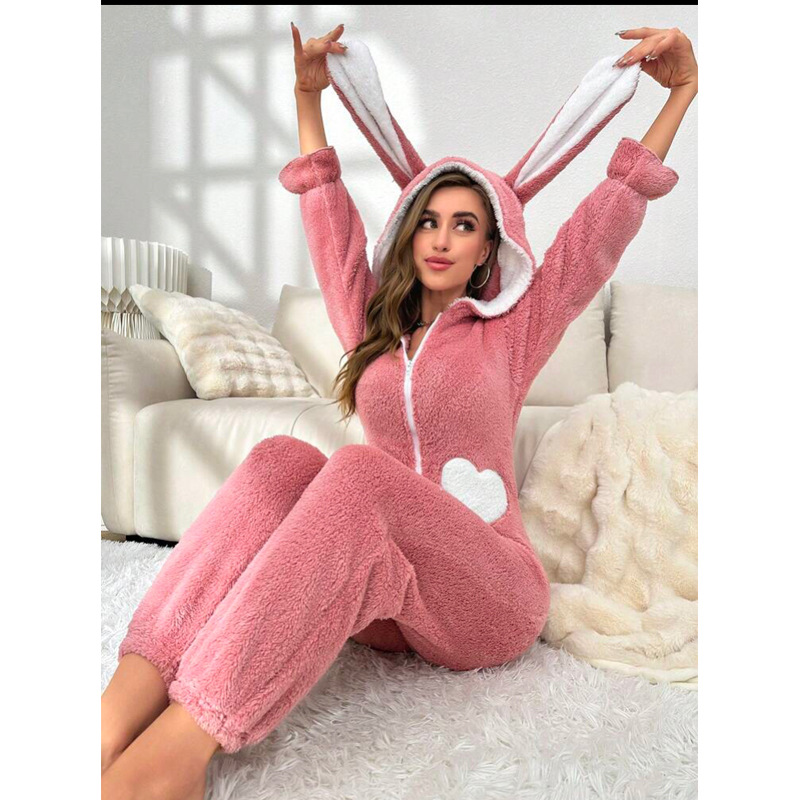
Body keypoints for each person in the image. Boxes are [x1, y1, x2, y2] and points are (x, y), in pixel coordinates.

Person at [101, 22, 698, 800]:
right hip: (387, 602)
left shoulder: (513, 330)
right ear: (408, 235)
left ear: (488, 252)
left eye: (464, 225)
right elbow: (328, 217)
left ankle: (185, 741)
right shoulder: (373, 326)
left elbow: (598, 231)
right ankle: (120, 707)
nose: (441, 239)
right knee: (283, 461)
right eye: (428, 220)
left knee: (357, 471)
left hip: (486, 594)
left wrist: (681, 94)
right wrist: (308, 98)